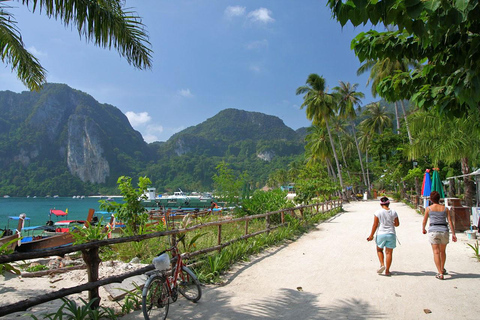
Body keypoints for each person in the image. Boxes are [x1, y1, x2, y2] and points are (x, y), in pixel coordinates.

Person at [422, 191, 457, 280]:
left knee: (436, 252)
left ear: (431, 199)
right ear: (439, 198)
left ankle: (440, 273)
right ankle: (442, 268)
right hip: (444, 230)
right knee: (442, 251)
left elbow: (425, 220)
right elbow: (450, 221)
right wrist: (453, 234)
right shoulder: (445, 209)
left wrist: (423, 228)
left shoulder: (428, 208)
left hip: (433, 230)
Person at [367, 196, 400, 276]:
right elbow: (397, 224)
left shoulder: (378, 212)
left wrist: (371, 235)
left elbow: (375, 225)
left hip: (381, 233)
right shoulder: (393, 212)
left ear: (380, 204)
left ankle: (382, 264)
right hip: (391, 234)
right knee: (389, 253)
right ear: (388, 203)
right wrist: (392, 223)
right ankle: (387, 271)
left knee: (379, 250)